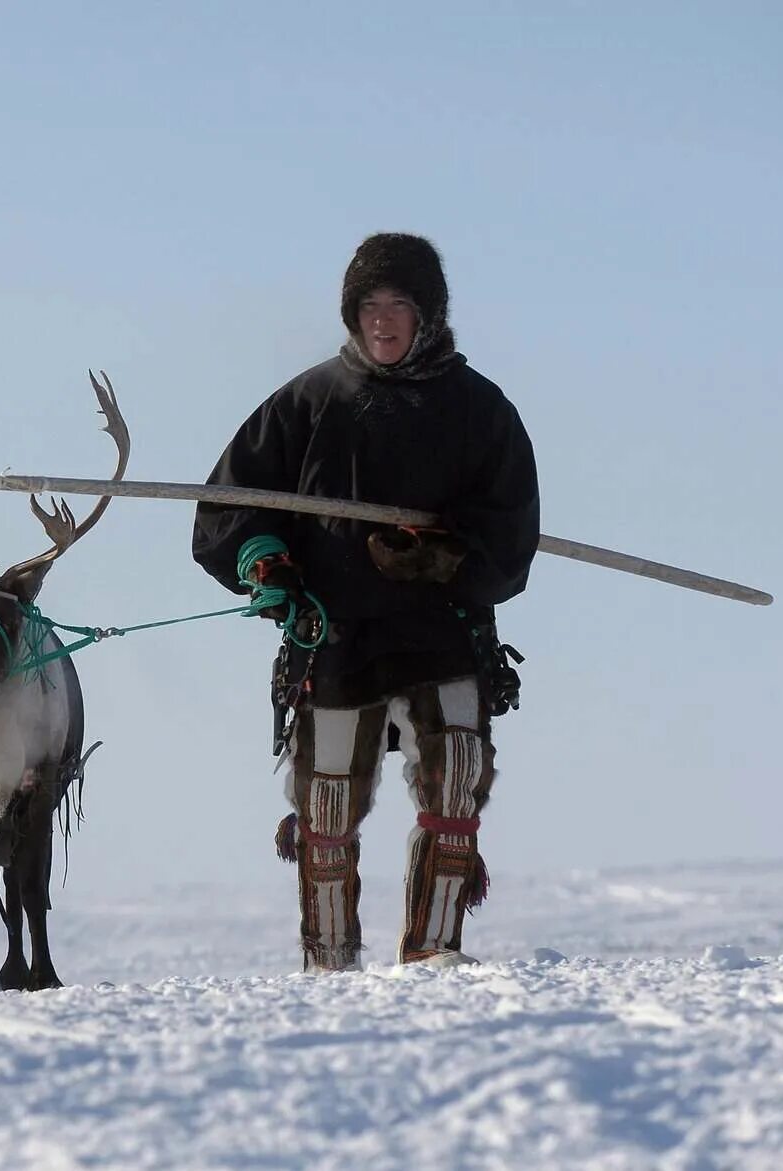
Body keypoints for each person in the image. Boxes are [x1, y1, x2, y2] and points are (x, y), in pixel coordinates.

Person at [192, 233, 540, 970]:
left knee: (457, 778)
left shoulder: (482, 412)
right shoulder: (308, 402)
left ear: (430, 315)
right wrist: (266, 563)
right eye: (369, 307)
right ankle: (328, 968)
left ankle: (435, 956)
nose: (382, 322)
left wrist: (448, 555)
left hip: (443, 632)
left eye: (398, 306)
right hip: (337, 633)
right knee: (325, 808)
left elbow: (512, 535)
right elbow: (229, 511)